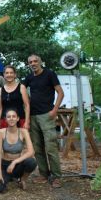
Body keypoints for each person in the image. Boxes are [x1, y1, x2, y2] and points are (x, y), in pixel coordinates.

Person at [23, 54, 64, 188]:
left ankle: (57, 176)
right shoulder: (29, 78)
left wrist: (54, 110)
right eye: (30, 62)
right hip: (33, 116)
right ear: (28, 64)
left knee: (51, 147)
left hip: (47, 115)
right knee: (38, 148)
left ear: (40, 62)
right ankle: (44, 174)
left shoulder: (49, 74)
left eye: (35, 61)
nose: (33, 63)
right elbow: (20, 89)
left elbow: (60, 92)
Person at [0, 109, 37, 193]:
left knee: (31, 161)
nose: (11, 118)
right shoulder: (1, 132)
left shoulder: (23, 131)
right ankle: (8, 177)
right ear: (5, 119)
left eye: (14, 116)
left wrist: (14, 162)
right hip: (5, 165)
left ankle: (22, 179)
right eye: (9, 117)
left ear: (18, 118)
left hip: (18, 165)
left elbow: (31, 151)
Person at [0, 65, 30, 131]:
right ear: (4, 75)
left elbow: (27, 105)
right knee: (5, 141)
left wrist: (27, 121)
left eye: (11, 73)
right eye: (7, 73)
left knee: (21, 141)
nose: (9, 75)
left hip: (20, 120)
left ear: (15, 75)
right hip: (5, 121)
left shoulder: (21, 87)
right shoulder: (0, 90)